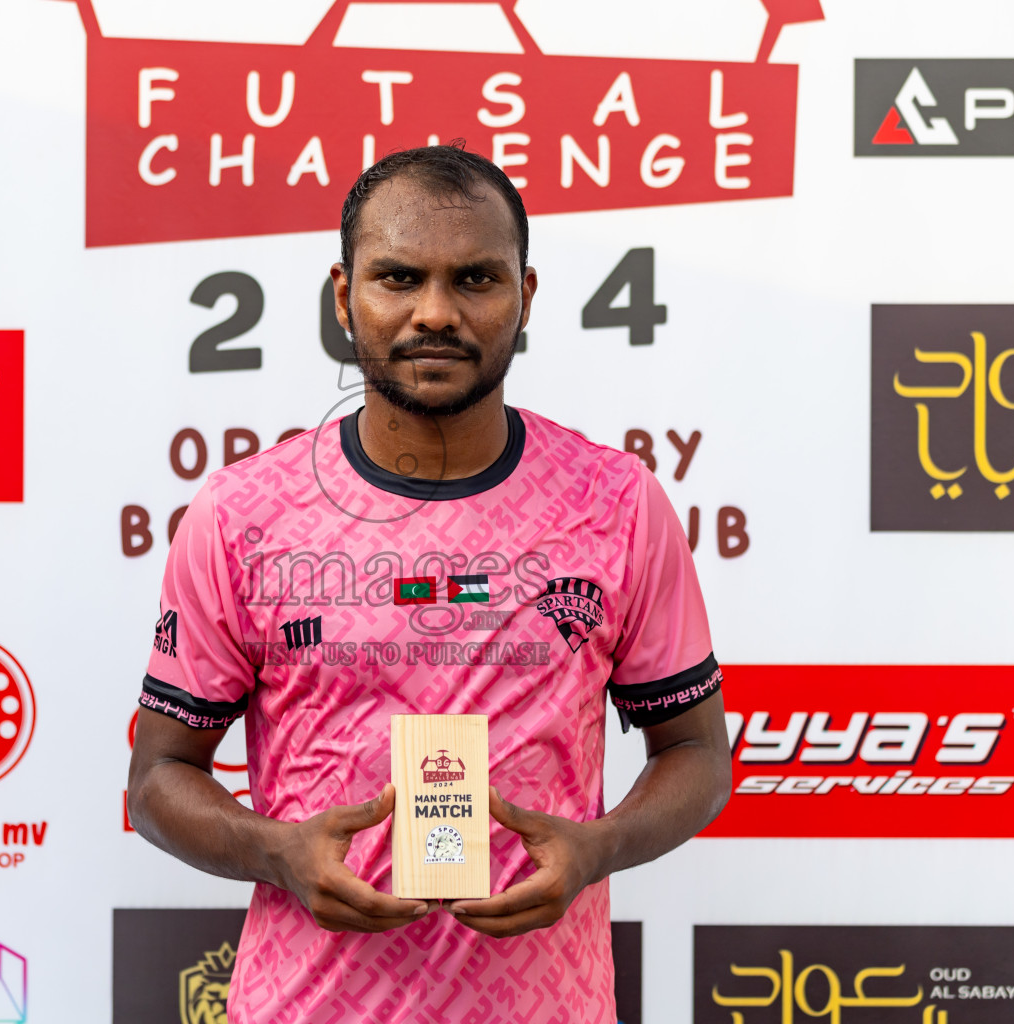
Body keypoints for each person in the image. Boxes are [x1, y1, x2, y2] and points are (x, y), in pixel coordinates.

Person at [128, 144, 731, 1023]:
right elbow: (156, 779)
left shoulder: (619, 506)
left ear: (527, 297)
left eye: (477, 280)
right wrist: (281, 853)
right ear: (344, 297)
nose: (436, 313)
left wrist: (595, 848)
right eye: (399, 278)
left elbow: (698, 755)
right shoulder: (240, 513)